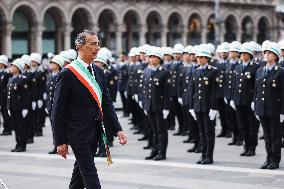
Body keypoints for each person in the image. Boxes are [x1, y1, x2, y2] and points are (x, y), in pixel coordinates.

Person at [52, 30, 127, 189]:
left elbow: (106, 104)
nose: (97, 47)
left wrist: (118, 129)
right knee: (91, 177)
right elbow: (57, 110)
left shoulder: (99, 72)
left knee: (78, 176)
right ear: (80, 46)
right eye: (92, 44)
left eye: (98, 43)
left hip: (95, 131)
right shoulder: (68, 73)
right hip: (77, 133)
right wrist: (60, 141)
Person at [253, 42, 284, 169]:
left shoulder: (281, 72)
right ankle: (268, 158)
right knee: (266, 135)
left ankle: (275, 160)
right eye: (265, 52)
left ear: (276, 56)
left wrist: (283, 111)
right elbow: (256, 90)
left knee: (275, 135)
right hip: (262, 108)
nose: (266, 54)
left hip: (275, 109)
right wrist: (255, 106)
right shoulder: (260, 70)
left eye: (269, 53)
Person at [189, 44, 218, 165]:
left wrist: (214, 108)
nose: (199, 59)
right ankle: (203, 154)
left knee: (209, 132)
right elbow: (192, 91)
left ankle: (209, 156)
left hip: (208, 107)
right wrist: (191, 107)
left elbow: (215, 92)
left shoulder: (213, 72)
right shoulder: (195, 71)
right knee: (201, 132)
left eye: (202, 57)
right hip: (198, 106)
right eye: (198, 57)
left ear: (207, 58)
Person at [231, 42, 260, 157]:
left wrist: (254, 100)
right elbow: (234, 83)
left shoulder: (255, 67)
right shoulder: (238, 67)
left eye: (245, 53)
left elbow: (257, 86)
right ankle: (246, 146)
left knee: (252, 125)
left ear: (250, 55)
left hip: (249, 101)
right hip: (238, 101)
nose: (242, 55)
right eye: (241, 53)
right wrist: (233, 98)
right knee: (242, 125)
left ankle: (252, 147)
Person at [143, 46, 170, 161]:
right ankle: (154, 150)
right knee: (154, 130)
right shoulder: (146, 71)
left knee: (161, 131)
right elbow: (145, 90)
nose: (151, 59)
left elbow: (167, 93)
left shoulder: (164, 73)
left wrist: (166, 108)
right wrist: (145, 104)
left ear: (159, 59)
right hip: (150, 106)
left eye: (154, 57)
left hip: (160, 107)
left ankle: (162, 152)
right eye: (150, 57)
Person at [7, 59, 30, 152]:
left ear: (19, 68)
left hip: (20, 107)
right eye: (12, 66)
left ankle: (22, 145)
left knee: (21, 126)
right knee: (16, 127)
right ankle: (18, 143)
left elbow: (25, 95)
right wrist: (8, 106)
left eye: (14, 66)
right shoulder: (10, 79)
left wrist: (25, 108)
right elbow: (8, 95)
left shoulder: (23, 79)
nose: (12, 68)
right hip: (13, 107)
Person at [46, 55, 65, 154]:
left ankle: (62, 145)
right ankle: (56, 145)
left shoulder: (61, 75)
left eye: (53, 63)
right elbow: (48, 92)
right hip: (51, 106)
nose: (51, 65)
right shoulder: (50, 76)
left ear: (58, 65)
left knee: (60, 127)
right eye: (51, 63)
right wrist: (47, 105)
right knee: (54, 127)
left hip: (58, 107)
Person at [0, 55, 12, 136]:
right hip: (1, 95)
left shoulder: (7, 73)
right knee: (3, 113)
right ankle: (5, 128)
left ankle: (8, 129)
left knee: (6, 112)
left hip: (5, 95)